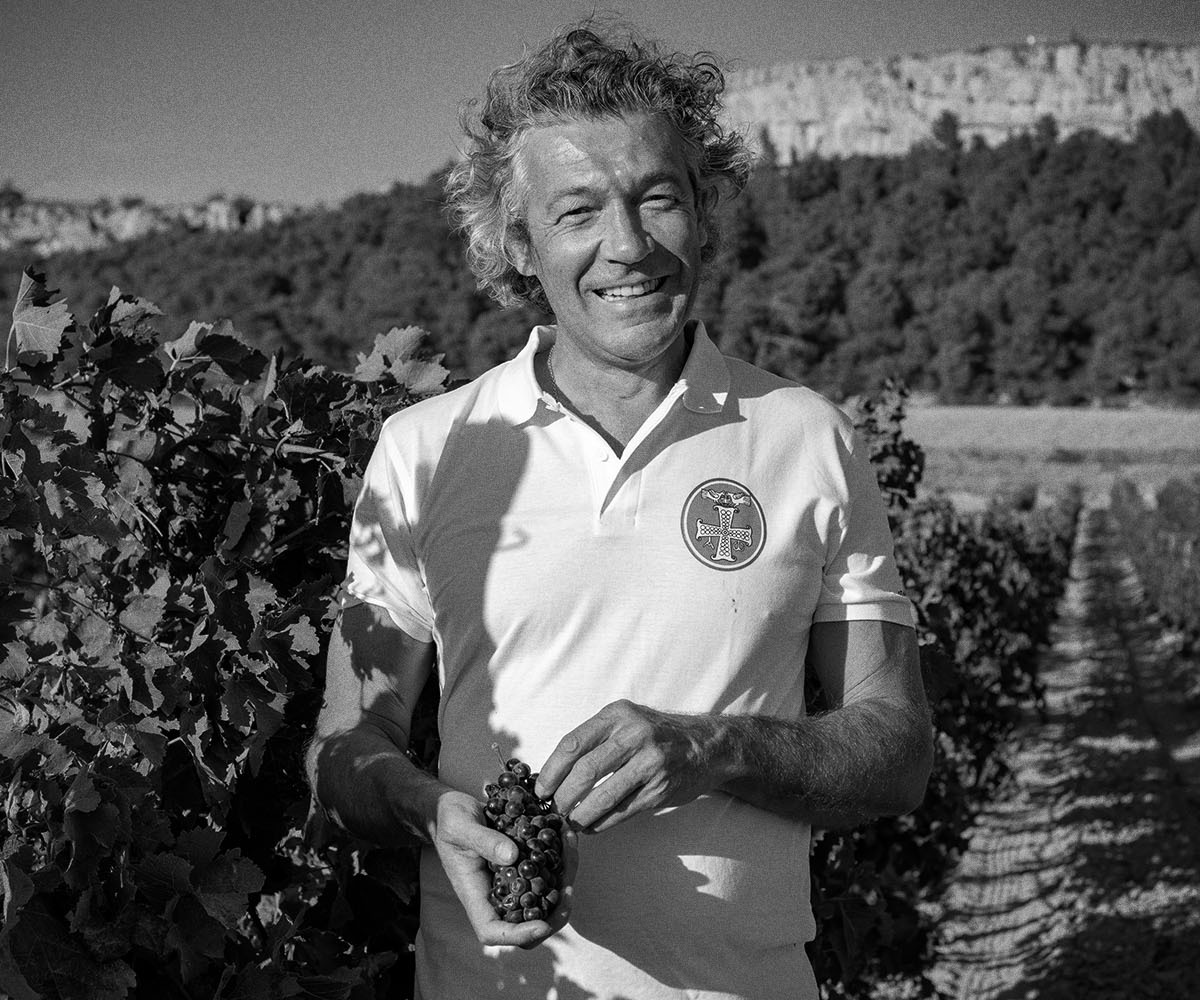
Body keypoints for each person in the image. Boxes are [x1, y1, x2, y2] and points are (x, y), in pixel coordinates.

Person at [307, 21, 933, 1000]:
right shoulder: (426, 449)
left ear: (705, 209)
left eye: (658, 199)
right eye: (579, 212)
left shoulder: (808, 436)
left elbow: (896, 748)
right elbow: (346, 747)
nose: (630, 247)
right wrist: (428, 809)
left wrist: (712, 746)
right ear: (519, 243)